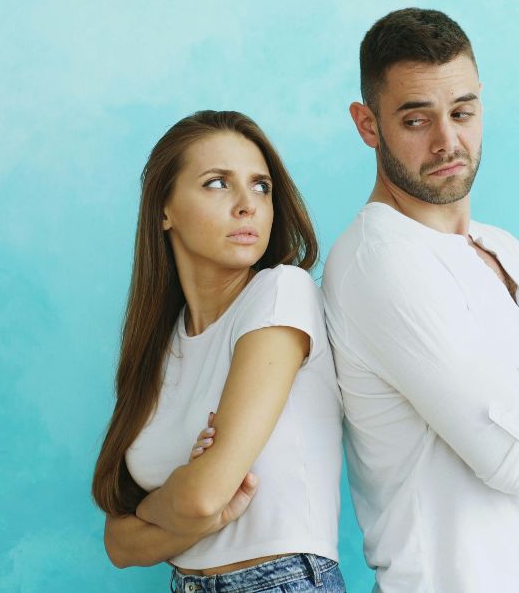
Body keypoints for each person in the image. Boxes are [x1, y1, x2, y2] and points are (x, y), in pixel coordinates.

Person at [321, 8, 519, 592]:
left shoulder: (503, 247)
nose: (447, 142)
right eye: (416, 120)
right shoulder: (381, 261)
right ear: (368, 125)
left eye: (462, 112)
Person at [92, 110, 346, 592]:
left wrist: (158, 507)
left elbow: (204, 498)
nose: (248, 205)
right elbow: (119, 545)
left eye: (261, 187)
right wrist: (189, 504)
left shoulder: (281, 292)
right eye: (217, 184)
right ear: (163, 210)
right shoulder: (159, 346)